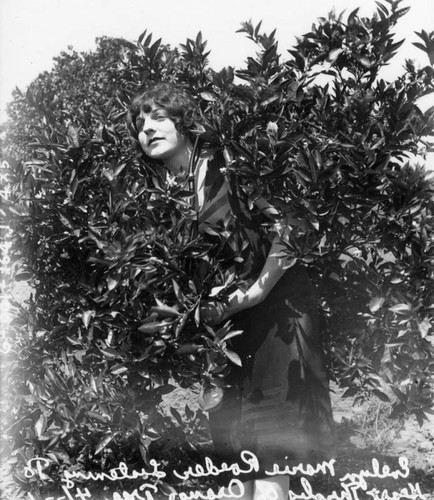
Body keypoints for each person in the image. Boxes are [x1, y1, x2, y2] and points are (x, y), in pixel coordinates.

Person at [128, 82, 335, 500]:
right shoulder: (162, 194)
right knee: (234, 442)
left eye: (158, 117)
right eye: (139, 121)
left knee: (273, 439)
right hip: (227, 325)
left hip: (278, 308)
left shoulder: (228, 163)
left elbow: (291, 224)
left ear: (185, 123)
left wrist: (257, 291)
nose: (146, 128)